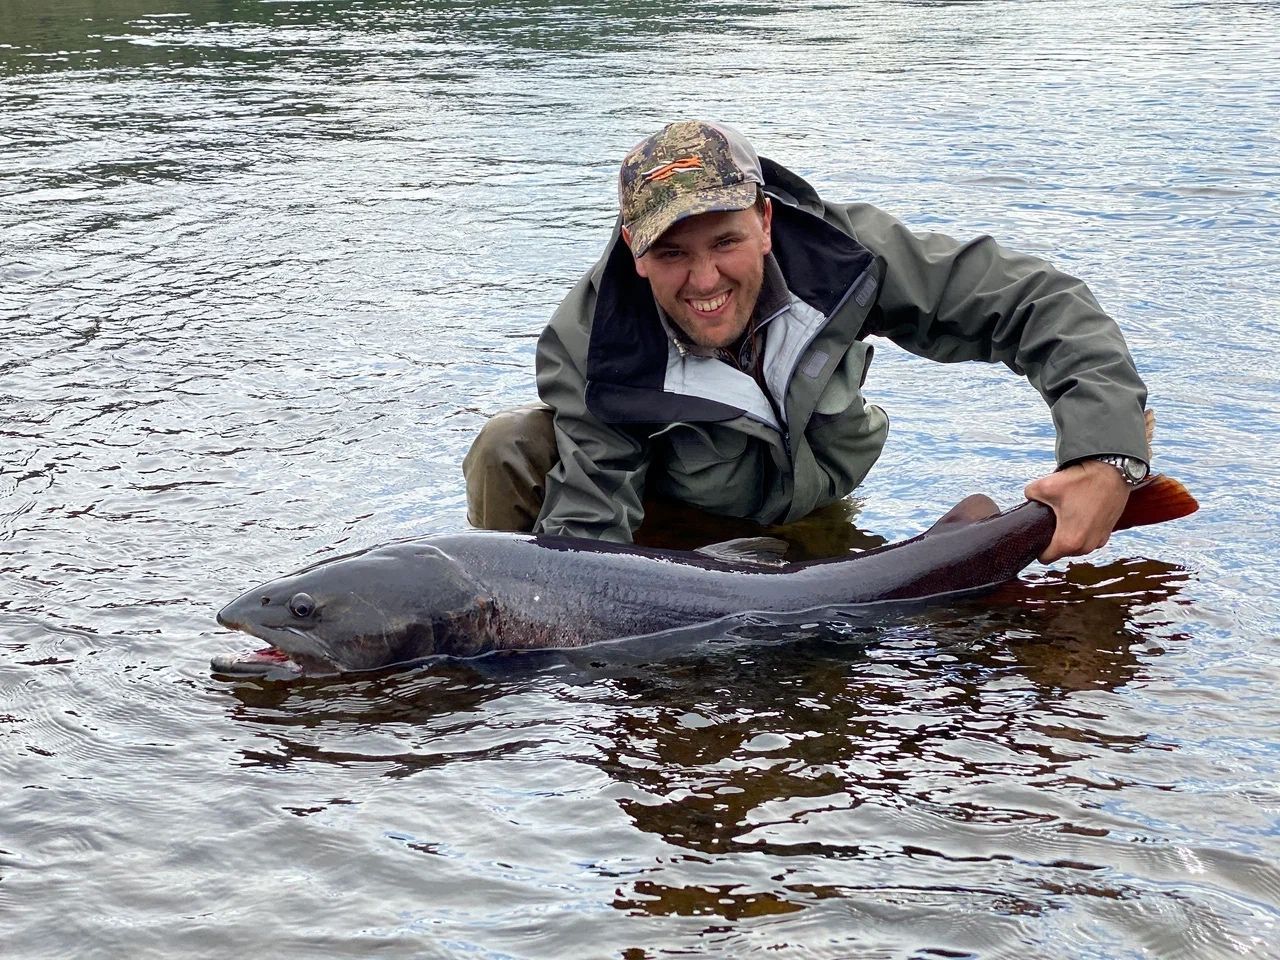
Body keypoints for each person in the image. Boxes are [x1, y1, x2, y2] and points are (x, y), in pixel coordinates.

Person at [463, 120, 1151, 563]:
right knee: (511, 444)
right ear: (633, 252)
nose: (704, 280)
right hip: (683, 518)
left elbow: (1036, 301)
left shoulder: (843, 260)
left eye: (725, 242)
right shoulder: (593, 342)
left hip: (814, 500)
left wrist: (1104, 453)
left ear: (765, 221)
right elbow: (589, 530)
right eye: (671, 253)